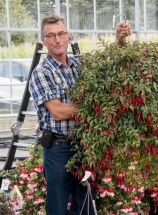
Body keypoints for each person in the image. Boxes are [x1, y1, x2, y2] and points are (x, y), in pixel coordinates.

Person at [29, 14, 132, 215]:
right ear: (43, 40)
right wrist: (97, 105)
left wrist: (120, 39)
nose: (57, 40)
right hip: (58, 148)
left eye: (61, 34)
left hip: (85, 145)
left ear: (69, 36)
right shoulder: (42, 72)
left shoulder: (81, 64)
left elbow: (110, 66)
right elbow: (58, 111)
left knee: (85, 202)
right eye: (51, 36)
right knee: (57, 204)